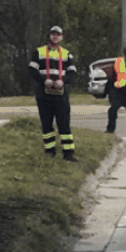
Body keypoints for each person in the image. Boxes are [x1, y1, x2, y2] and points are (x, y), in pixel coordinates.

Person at [29, 25, 79, 162]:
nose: (55, 36)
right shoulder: (39, 52)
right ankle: (50, 151)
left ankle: (68, 153)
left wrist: (64, 82)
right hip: (44, 94)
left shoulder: (66, 54)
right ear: (49, 35)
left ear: (62, 37)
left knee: (64, 123)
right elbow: (32, 71)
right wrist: (43, 80)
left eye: (58, 34)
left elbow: (72, 72)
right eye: (53, 34)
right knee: (46, 123)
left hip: (61, 94)